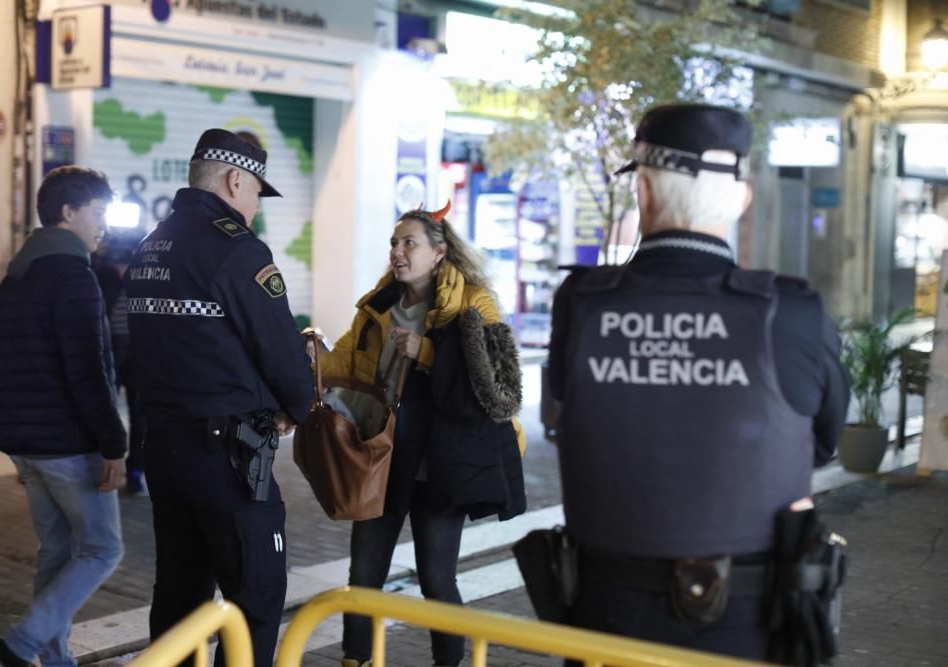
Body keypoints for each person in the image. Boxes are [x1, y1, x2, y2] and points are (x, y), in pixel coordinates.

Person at [547, 104, 850, 662]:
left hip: (603, 623)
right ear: (742, 197)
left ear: (642, 190)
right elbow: (825, 441)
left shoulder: (581, 304)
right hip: (749, 626)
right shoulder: (791, 310)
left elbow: (566, 420)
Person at [124, 129, 314, 667]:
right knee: (255, 595)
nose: (255, 207)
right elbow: (279, 349)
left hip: (164, 449)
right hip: (228, 457)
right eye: (255, 191)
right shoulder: (235, 249)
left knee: (180, 599)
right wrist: (298, 408)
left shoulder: (150, 245)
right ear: (235, 179)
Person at [315, 203, 526, 667]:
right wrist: (309, 354)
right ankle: (357, 660)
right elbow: (347, 363)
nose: (397, 251)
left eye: (409, 242)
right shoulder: (380, 304)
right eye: (394, 242)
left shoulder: (472, 302)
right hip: (382, 458)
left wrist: (427, 351)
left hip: (441, 464)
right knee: (364, 574)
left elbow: (496, 383)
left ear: (438, 252)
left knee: (437, 580)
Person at [0, 166, 127, 667]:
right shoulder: (73, 277)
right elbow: (88, 372)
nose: (103, 225)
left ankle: (55, 659)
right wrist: (115, 444)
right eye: (98, 212)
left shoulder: (14, 277)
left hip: (26, 442)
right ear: (68, 213)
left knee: (58, 551)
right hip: (68, 443)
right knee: (102, 550)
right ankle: (21, 645)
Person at [94, 232, 147, 494]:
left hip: (140, 351)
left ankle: (136, 470)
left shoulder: (147, 269)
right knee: (105, 408)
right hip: (109, 349)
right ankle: (104, 465)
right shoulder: (99, 270)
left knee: (141, 415)